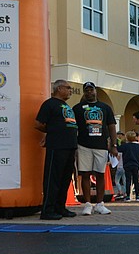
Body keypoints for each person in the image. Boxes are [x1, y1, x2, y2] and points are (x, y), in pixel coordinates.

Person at [34, 80, 79, 220]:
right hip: (57, 146)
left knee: (65, 179)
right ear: (59, 88)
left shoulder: (66, 106)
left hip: (70, 146)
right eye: (68, 88)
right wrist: (52, 131)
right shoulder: (49, 104)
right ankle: (47, 209)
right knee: (53, 178)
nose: (70, 90)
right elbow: (38, 123)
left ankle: (60, 207)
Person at [72, 81, 116, 216]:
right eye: (87, 90)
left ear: (96, 91)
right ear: (84, 92)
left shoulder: (105, 107)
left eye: (91, 90)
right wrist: (74, 145)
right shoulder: (77, 108)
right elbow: (73, 128)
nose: (89, 92)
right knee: (85, 174)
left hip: (101, 146)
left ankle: (100, 204)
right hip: (83, 145)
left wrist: (113, 145)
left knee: (100, 174)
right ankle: (87, 204)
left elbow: (111, 126)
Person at [117, 130, 139, 201]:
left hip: (127, 164)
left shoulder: (125, 146)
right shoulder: (137, 146)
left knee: (128, 180)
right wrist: (138, 158)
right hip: (135, 164)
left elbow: (118, 149)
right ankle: (137, 196)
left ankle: (128, 196)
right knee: (136, 180)